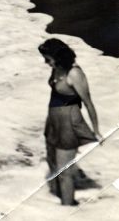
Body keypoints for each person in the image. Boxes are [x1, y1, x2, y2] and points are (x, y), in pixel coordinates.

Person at [38, 38, 102, 206]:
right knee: (52, 162)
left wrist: (96, 130)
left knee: (64, 171)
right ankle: (59, 202)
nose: (45, 62)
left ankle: (68, 208)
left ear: (58, 57)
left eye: (48, 58)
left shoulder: (74, 73)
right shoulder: (57, 68)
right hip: (53, 123)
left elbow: (88, 103)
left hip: (69, 125)